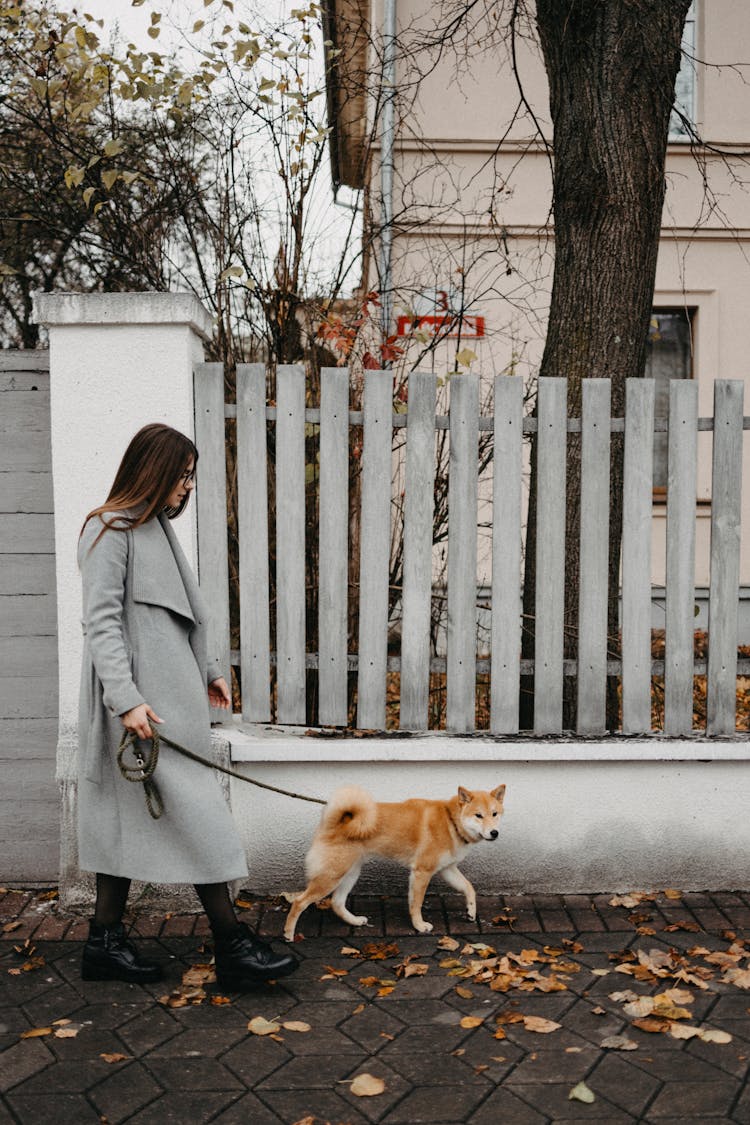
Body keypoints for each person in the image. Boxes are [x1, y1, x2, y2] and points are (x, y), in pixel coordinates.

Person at [77, 423, 298, 987]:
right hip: (139, 713)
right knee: (200, 819)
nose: (188, 486)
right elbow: (102, 625)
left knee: (127, 825)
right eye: (183, 475)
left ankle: (104, 944)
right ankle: (233, 947)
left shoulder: (153, 530)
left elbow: (174, 621)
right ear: (155, 472)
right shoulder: (109, 530)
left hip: (168, 705)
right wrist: (125, 700)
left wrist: (208, 671)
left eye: (191, 476)